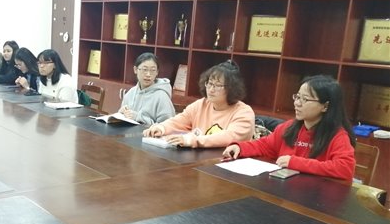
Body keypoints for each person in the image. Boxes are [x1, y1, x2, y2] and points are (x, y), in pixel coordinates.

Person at [223, 75, 356, 181]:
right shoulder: (289, 127)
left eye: (305, 99)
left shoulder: (337, 135)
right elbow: (265, 146)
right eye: (297, 97)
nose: (297, 103)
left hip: (317, 197)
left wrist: (295, 163)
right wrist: (240, 148)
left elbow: (345, 168)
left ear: (325, 106)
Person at [143, 60, 254, 148]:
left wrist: (192, 140)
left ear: (232, 88)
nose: (211, 89)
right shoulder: (202, 104)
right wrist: (161, 128)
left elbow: (228, 137)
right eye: (209, 83)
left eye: (218, 85)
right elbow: (180, 120)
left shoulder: (243, 112)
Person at [118, 53, 175, 125]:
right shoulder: (130, 93)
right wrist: (121, 113)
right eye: (145, 69)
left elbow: (167, 126)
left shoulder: (162, 96)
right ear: (135, 70)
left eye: (153, 70)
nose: (148, 74)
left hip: (149, 132)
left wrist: (138, 117)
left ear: (157, 72)